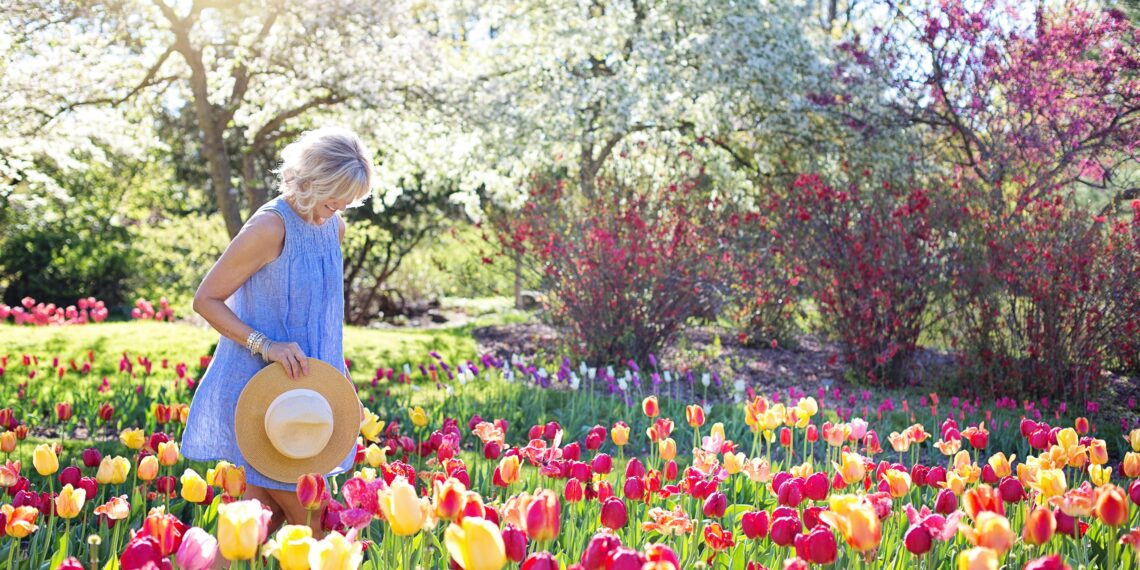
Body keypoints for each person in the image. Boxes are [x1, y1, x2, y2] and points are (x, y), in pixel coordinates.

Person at [182, 127, 373, 535]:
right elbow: (206, 299)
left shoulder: (334, 228)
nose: (337, 211)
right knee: (320, 531)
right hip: (268, 400)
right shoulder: (270, 228)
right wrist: (265, 345)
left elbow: (322, 323)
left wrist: (344, 386)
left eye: (346, 203)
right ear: (310, 182)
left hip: (309, 396)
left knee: (251, 531)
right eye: (332, 200)